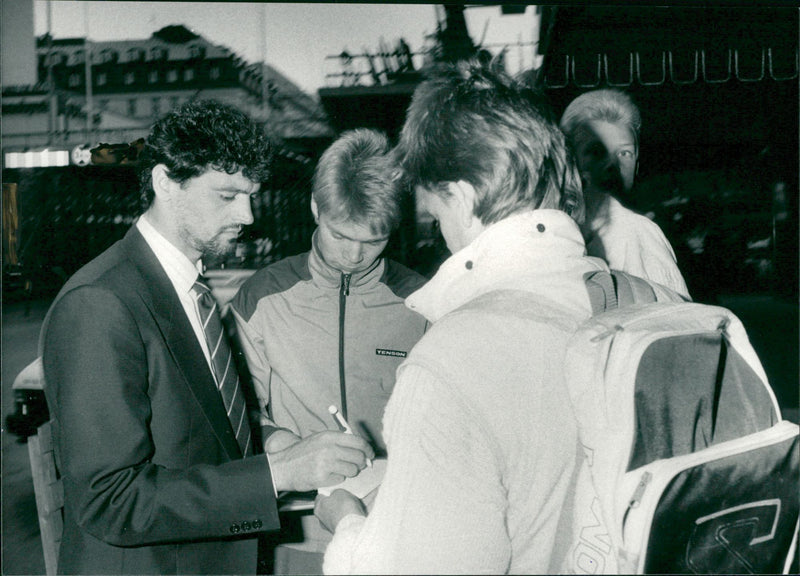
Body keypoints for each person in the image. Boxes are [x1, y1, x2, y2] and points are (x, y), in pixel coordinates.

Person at [40, 100, 373, 575]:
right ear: (164, 183)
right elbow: (109, 499)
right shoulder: (99, 303)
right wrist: (279, 473)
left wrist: (275, 445)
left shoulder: (183, 288)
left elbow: (200, 434)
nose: (249, 214)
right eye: (227, 196)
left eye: (251, 194)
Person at [313, 60, 616, 574]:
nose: (440, 234)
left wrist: (347, 522)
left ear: (463, 194)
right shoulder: (643, 300)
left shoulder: (450, 361)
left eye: (435, 212)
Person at [230, 128, 428, 459]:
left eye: (373, 242)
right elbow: (236, 411)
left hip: (396, 494)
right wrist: (283, 445)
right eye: (339, 236)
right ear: (315, 209)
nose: (353, 256)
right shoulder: (260, 298)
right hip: (301, 499)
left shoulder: (423, 304)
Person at [560, 88, 691, 299]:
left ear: (637, 163)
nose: (612, 165)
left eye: (624, 153)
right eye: (596, 152)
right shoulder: (559, 228)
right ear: (568, 158)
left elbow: (670, 323)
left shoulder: (637, 234)